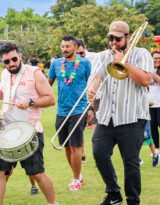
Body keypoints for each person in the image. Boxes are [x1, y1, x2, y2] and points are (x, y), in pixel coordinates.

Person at [87, 20, 153, 205]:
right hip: (107, 117)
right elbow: (97, 78)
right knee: (99, 153)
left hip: (132, 118)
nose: (113, 42)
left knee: (130, 162)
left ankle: (133, 200)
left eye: (117, 38)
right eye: (110, 38)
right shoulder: (101, 56)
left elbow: (146, 80)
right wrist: (92, 90)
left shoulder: (142, 54)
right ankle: (114, 194)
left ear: (128, 37)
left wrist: (123, 62)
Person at [0, 43, 57, 205]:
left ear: (20, 55)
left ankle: (53, 203)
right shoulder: (5, 74)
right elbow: (5, 94)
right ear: (2, 62)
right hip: (5, 131)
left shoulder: (35, 73)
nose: (11, 63)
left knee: (37, 174)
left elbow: (51, 99)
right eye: (7, 61)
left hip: (30, 132)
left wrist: (31, 101)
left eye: (14, 59)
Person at [48, 35, 91, 191]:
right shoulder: (56, 64)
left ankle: (75, 179)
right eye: (62, 46)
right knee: (66, 146)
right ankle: (77, 175)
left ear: (75, 47)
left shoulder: (85, 64)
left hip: (79, 109)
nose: (64, 49)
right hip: (61, 110)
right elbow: (48, 84)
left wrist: (91, 108)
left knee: (75, 146)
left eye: (67, 46)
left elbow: (91, 86)